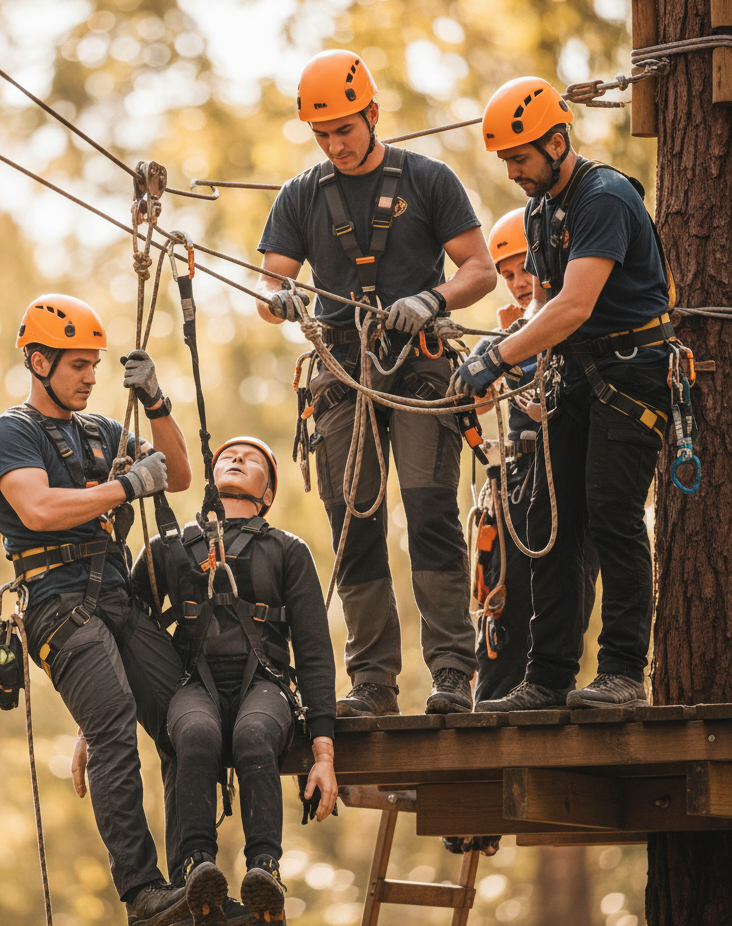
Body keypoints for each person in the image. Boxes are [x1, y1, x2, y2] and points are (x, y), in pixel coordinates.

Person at [255, 49, 497, 716]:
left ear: (373, 114)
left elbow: (481, 269)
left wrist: (434, 300)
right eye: (322, 134)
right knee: (355, 524)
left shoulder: (428, 180)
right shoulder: (302, 195)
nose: (335, 144)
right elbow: (270, 280)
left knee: (429, 515)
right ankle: (372, 685)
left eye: (345, 130)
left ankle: (452, 674)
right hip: (342, 375)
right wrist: (279, 299)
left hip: (418, 369)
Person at [451, 76, 674, 712]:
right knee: (554, 522)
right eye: (506, 161)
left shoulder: (602, 198)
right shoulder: (543, 210)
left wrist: (498, 356)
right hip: (576, 376)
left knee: (611, 514)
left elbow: (576, 305)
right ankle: (547, 678)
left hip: (632, 375)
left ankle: (624, 673)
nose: (513, 171)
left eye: (520, 158)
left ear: (557, 140)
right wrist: (498, 353)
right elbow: (545, 305)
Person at [0, 293, 193, 926]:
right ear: (38, 362)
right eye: (77, 365)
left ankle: (194, 867)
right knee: (113, 730)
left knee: (188, 715)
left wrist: (156, 404)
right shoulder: (10, 433)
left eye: (95, 365)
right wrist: (126, 486)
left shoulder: (101, 431)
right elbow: (40, 511)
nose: (90, 377)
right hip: (58, 603)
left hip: (115, 598)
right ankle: (143, 893)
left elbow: (178, 474)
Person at [130, 437, 337, 926]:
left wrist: (324, 749)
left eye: (254, 459)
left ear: (267, 494)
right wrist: (92, 725)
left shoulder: (287, 551)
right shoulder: (168, 550)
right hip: (190, 683)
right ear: (207, 478)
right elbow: (119, 635)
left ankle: (264, 870)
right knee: (196, 734)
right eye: (226, 455)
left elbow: (314, 651)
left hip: (263, 684)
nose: (237, 458)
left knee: (252, 735)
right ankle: (197, 875)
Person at [470, 210, 599, 706]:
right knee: (504, 600)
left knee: (567, 594)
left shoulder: (580, 328)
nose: (517, 282)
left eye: (524, 267)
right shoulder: (500, 346)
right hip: (516, 485)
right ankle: (492, 703)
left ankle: (548, 688)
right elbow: (478, 408)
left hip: (568, 480)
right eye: (506, 275)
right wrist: (500, 352)